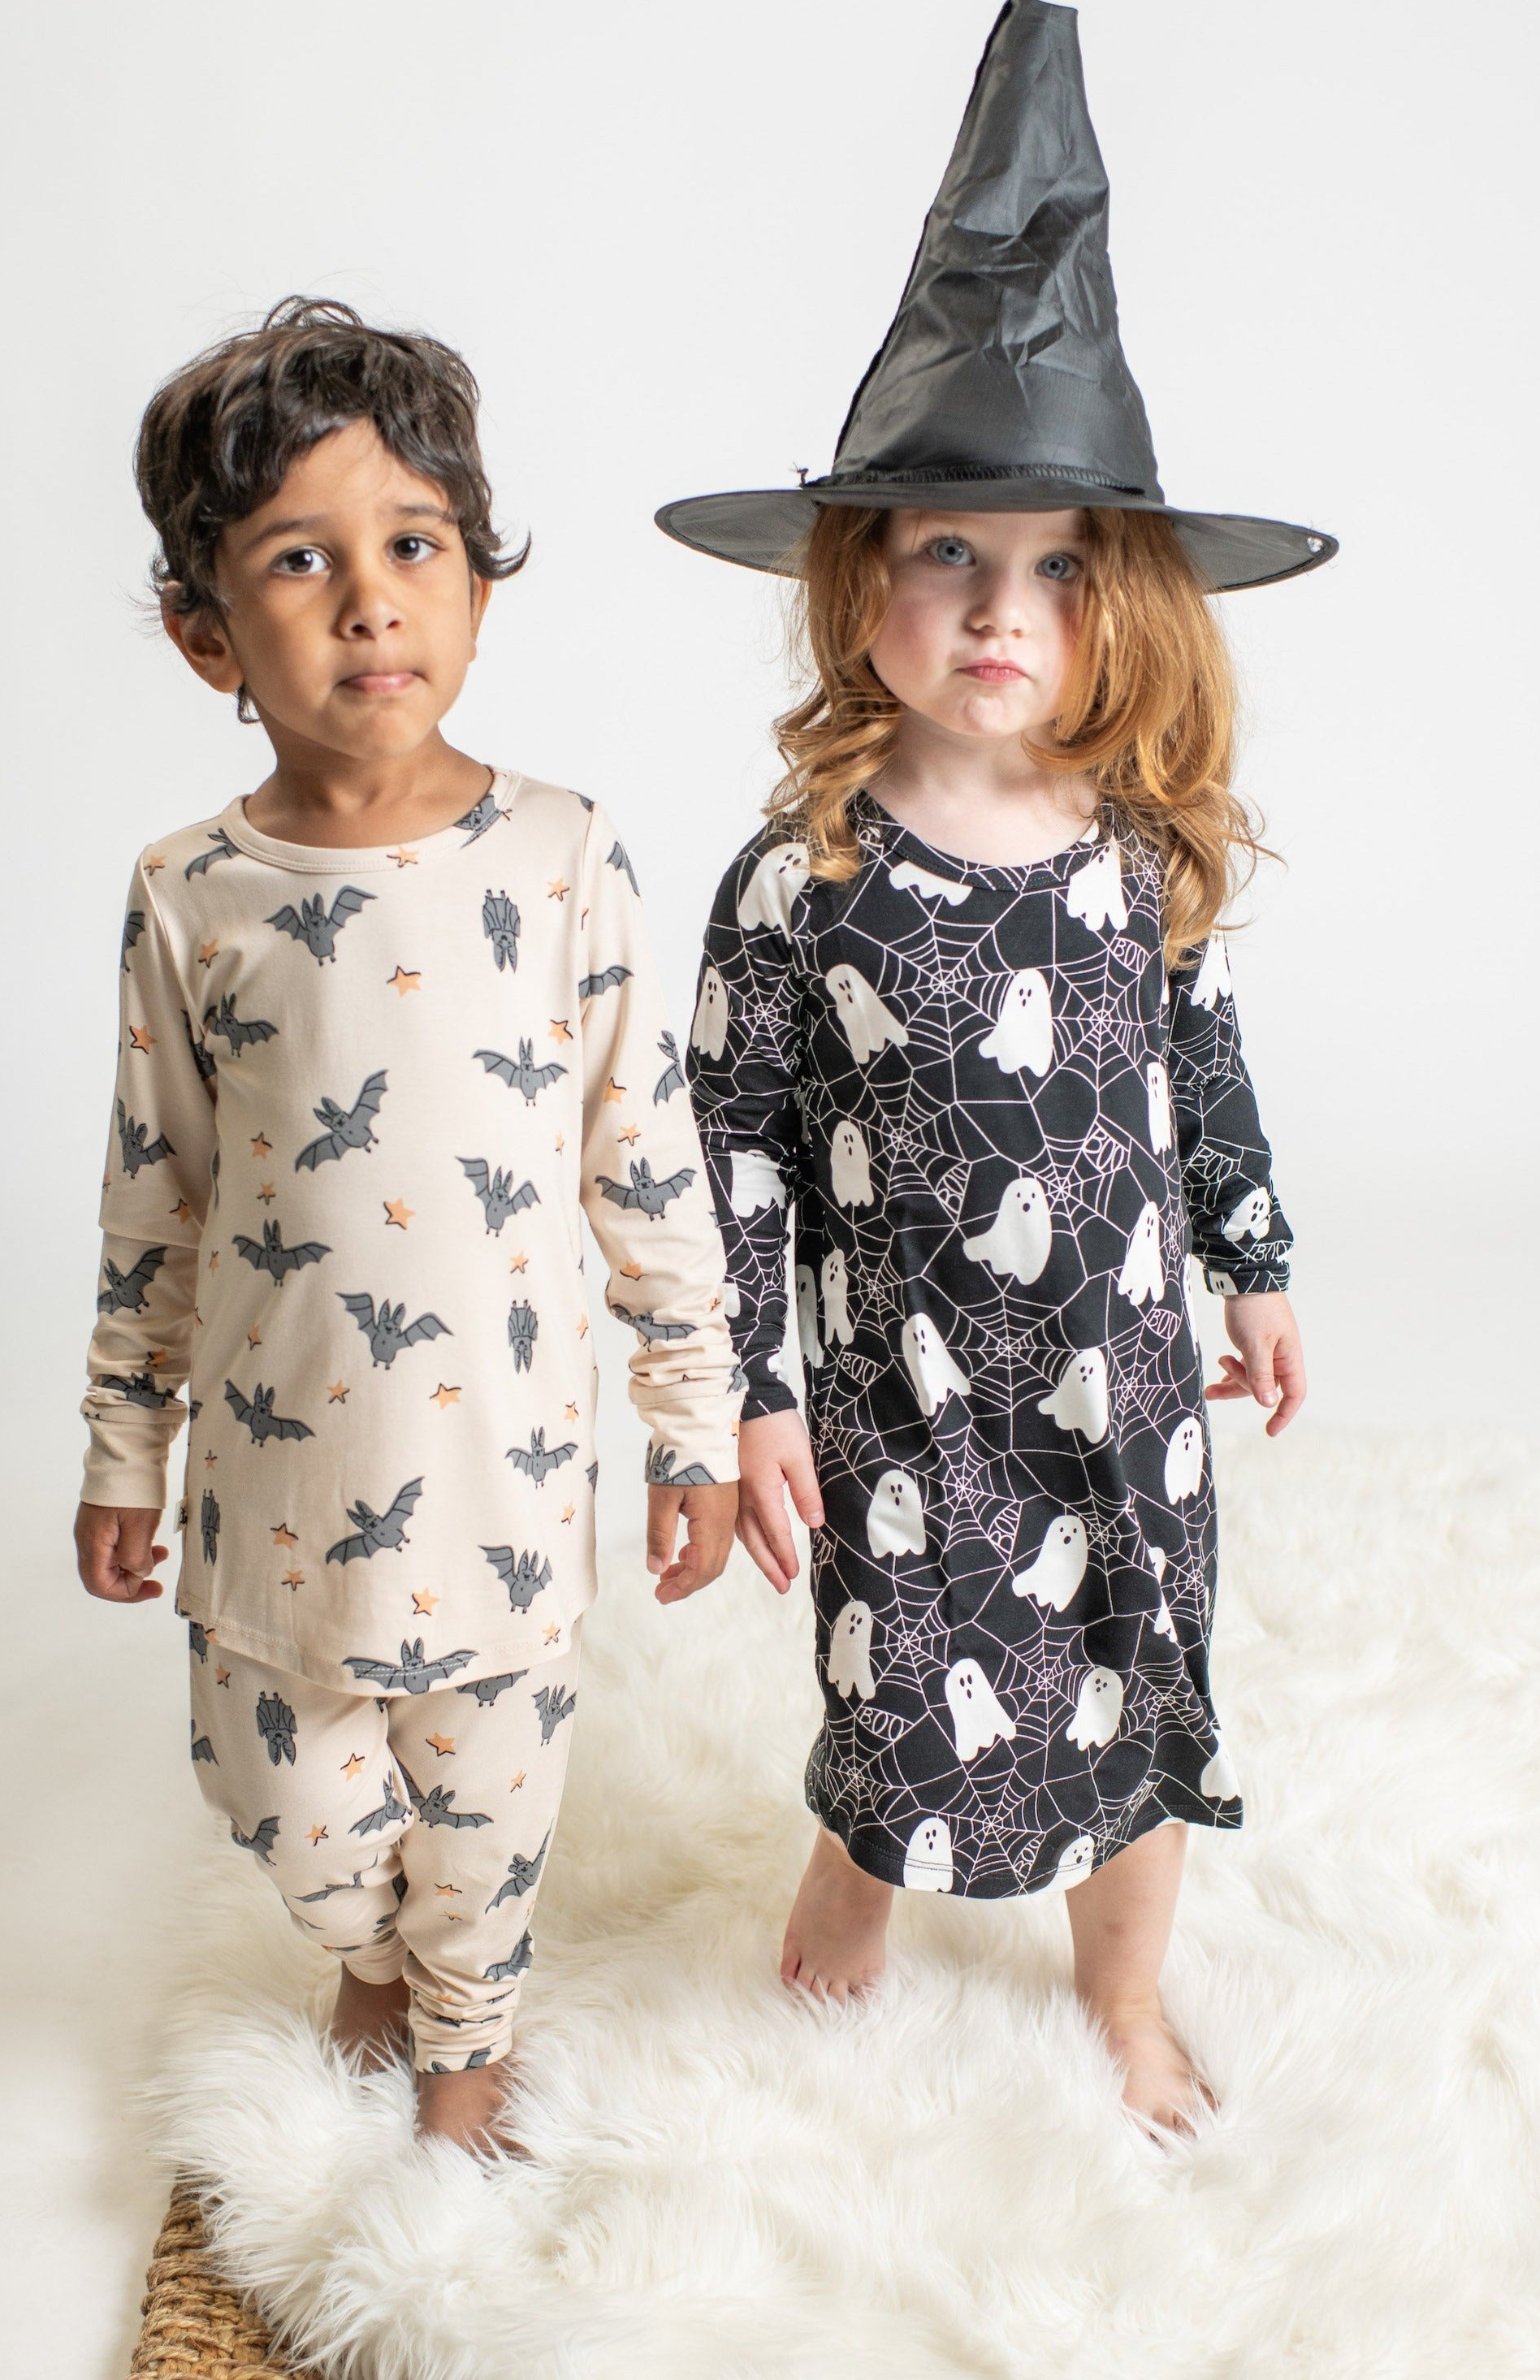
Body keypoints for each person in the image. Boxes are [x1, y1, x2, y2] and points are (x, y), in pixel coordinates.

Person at [660, 1, 1325, 2137]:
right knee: (901, 1685)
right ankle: (848, 1898)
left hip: (1119, 1388)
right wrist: (748, 1389)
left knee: (1138, 1683)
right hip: (908, 1399)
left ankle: (1122, 1993)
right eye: (948, 549)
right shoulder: (808, 875)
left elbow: (1202, 1064)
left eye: (1053, 565)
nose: (996, 610)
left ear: (1124, 600)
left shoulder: (1140, 853)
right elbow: (727, 1147)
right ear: (859, 572)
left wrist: (1254, 1266)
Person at [74, 297, 740, 2153]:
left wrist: (692, 1416)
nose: (371, 602)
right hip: (270, 1488)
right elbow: (155, 1189)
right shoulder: (193, 894)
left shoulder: (560, 852)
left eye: (414, 546)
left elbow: (642, 1151)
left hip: (500, 1478)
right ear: (209, 633)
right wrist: (124, 1445)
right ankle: (363, 1941)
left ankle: (465, 2044)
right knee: (282, 1802)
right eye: (303, 560)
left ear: (479, 586)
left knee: (486, 1813)